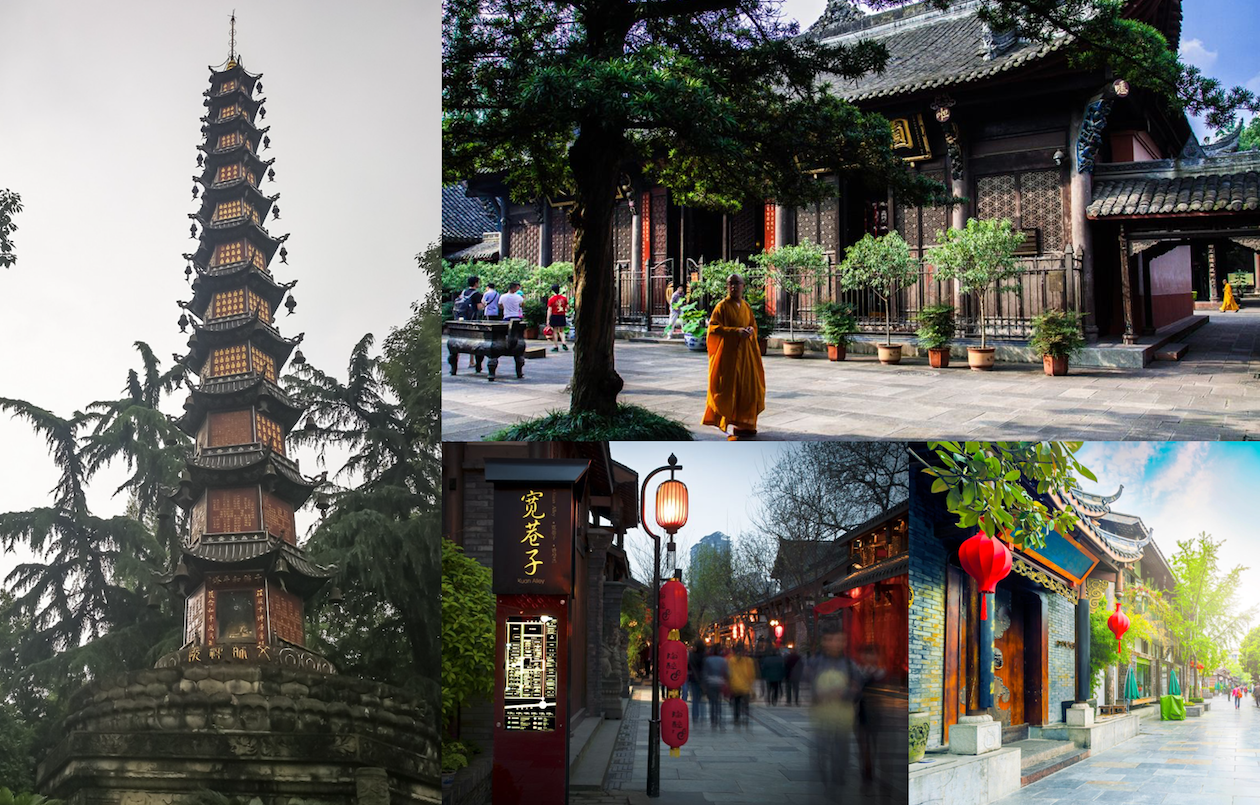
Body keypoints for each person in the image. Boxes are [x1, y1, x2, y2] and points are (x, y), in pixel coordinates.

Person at [703, 273, 765, 440]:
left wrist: (750, 330)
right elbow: (714, 328)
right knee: (727, 390)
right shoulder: (721, 306)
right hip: (728, 355)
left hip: (746, 355)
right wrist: (735, 331)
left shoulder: (746, 306)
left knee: (748, 389)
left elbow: (752, 324)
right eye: (730, 284)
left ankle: (746, 424)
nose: (734, 287)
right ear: (727, 287)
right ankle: (728, 423)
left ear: (743, 286)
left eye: (737, 283)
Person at [807, 619, 860, 799]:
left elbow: (858, 687)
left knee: (841, 753)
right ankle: (826, 782)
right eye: (829, 640)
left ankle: (837, 780)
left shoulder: (850, 665)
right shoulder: (815, 663)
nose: (833, 643)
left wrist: (845, 692)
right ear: (824, 641)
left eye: (837, 640)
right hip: (821, 716)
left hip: (843, 717)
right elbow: (807, 683)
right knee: (821, 752)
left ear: (843, 642)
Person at [728, 643, 756, 728]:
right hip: (745, 687)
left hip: (735, 686)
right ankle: (746, 719)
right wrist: (751, 686)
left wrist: (730, 684)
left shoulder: (731, 660)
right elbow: (752, 674)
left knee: (736, 704)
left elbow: (729, 673)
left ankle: (736, 719)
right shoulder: (749, 661)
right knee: (745, 704)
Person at [703, 643, 729, 730]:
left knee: (712, 702)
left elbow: (705, 673)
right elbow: (727, 673)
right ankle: (720, 719)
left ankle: (713, 720)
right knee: (719, 702)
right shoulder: (723, 660)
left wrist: (704, 685)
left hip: (710, 682)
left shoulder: (708, 660)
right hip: (720, 682)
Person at [546, 283, 569, 352]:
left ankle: (556, 346)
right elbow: (567, 307)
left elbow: (549, 310)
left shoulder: (551, 299)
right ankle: (564, 342)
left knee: (555, 331)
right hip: (562, 315)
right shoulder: (564, 298)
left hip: (554, 315)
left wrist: (547, 319)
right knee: (562, 331)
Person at [688, 639, 706, 724]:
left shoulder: (692, 656)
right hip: (703, 679)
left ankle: (695, 716)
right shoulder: (705, 656)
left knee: (695, 699)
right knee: (702, 699)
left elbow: (689, 666)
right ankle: (703, 717)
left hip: (693, 678)